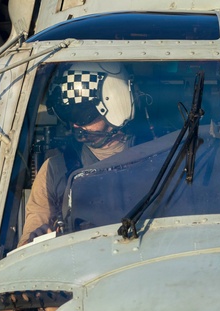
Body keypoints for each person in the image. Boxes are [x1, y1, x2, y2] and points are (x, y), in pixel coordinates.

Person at [19, 62, 135, 246]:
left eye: (80, 113)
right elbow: (28, 241)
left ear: (114, 103)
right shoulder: (55, 169)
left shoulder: (162, 155)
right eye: (69, 114)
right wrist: (36, 238)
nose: (75, 125)